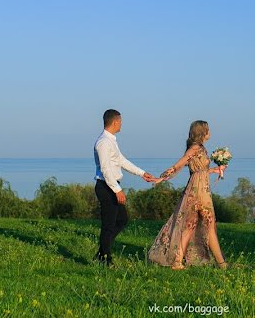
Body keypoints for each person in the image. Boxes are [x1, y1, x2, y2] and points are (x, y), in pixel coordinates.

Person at [147, 120, 229, 269]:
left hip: (198, 188)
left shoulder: (201, 148)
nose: (210, 132)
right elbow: (179, 164)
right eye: (208, 130)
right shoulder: (195, 148)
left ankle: (178, 262)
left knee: (189, 226)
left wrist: (215, 170)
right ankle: (222, 263)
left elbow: (199, 171)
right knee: (209, 225)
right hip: (199, 192)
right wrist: (162, 178)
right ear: (202, 132)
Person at [93, 108, 158, 267]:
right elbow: (105, 169)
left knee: (122, 220)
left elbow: (121, 161)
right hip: (106, 187)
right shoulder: (103, 143)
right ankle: (106, 260)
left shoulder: (111, 141)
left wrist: (142, 173)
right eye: (120, 121)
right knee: (108, 225)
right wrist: (117, 190)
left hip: (112, 185)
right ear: (115, 122)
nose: (121, 124)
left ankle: (102, 252)